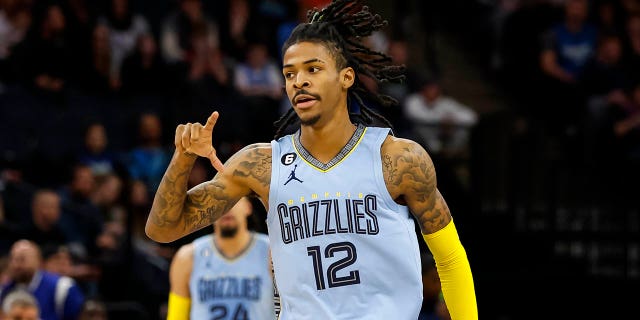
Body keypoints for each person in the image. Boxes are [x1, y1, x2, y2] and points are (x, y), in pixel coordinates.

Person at [145, 0, 477, 319]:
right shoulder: (261, 166)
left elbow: (449, 257)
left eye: (313, 69)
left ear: (346, 77)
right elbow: (163, 229)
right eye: (289, 74)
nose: (299, 81)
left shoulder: (398, 159)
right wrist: (182, 159)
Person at [166, 197, 274, 320]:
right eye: (218, 201)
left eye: (234, 200)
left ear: (248, 207)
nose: (226, 208)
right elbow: (176, 317)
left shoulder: (272, 253)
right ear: (208, 211)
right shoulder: (187, 258)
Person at [0, 240, 85, 320]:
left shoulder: (62, 288)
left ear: (38, 261)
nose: (16, 265)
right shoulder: (4, 291)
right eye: (13, 259)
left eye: (22, 259)